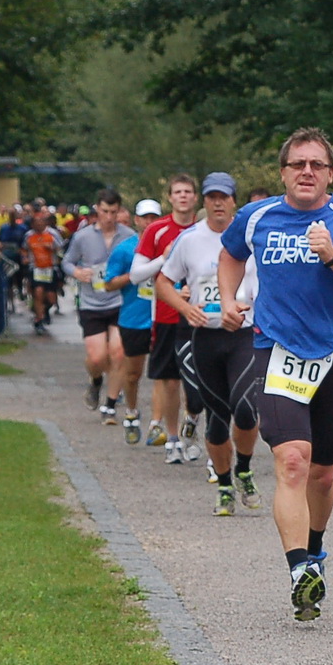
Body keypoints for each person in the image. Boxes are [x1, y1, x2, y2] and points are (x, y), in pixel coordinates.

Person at [217, 129, 333, 620]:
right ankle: (299, 571)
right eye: (298, 165)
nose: (307, 172)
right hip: (276, 351)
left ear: (331, 174)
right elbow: (231, 254)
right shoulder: (257, 218)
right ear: (284, 172)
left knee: (323, 472)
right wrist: (229, 300)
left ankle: (314, 549)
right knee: (293, 461)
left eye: (317, 164)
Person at [161, 173, 266, 516]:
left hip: (244, 335)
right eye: (211, 198)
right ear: (203, 202)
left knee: (246, 409)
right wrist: (184, 307)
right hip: (205, 336)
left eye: (224, 197)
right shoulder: (190, 240)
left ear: (234, 201)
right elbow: (163, 282)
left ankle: (245, 469)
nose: (218, 203)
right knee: (217, 417)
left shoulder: (252, 238)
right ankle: (224, 486)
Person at [132, 174, 206, 462]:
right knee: (170, 380)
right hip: (165, 315)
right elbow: (137, 274)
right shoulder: (157, 230)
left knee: (198, 382)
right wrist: (165, 259)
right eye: (178, 192)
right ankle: (173, 438)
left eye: (188, 191)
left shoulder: (205, 230)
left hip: (200, 317)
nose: (184, 197)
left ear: (195, 198)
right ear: (170, 198)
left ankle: (193, 428)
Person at [63, 188, 136, 419]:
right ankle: (95, 381)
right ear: (97, 209)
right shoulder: (83, 236)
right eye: (105, 211)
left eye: (114, 212)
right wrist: (77, 272)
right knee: (97, 358)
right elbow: (66, 262)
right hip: (91, 303)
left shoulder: (127, 236)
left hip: (119, 301)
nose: (109, 217)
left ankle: (111, 403)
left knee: (118, 353)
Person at [107, 198, 161, 444]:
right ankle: (131, 412)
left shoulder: (169, 247)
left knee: (166, 375)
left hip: (163, 318)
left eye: (154, 217)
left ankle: (157, 424)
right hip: (134, 319)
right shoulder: (125, 249)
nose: (149, 222)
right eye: (145, 217)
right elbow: (108, 284)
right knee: (132, 374)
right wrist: (135, 274)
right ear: (137, 220)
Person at [24, 211, 63, 333]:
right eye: (36, 224)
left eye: (41, 223)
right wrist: (24, 258)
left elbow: (61, 250)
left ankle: (45, 310)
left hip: (50, 268)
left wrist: (52, 248)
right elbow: (23, 249)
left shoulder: (52, 234)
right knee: (38, 293)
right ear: (33, 225)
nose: (39, 226)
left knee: (51, 298)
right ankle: (38, 320)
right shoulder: (29, 235)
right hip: (35, 268)